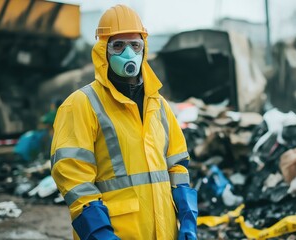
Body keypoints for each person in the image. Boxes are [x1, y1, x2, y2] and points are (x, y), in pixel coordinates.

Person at [50, 4, 197, 240]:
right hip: (115, 233)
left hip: (164, 231)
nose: (128, 53)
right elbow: (74, 178)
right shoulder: (81, 104)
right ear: (102, 50)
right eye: (118, 45)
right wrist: (99, 232)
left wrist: (188, 219)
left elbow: (177, 166)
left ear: (143, 49)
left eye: (135, 45)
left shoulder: (159, 105)